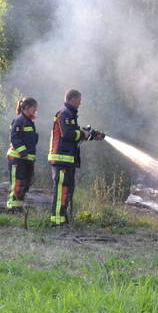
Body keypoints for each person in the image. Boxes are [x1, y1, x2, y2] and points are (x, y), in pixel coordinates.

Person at [48, 89, 94, 226]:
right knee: (61, 190)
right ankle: (57, 221)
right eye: (79, 101)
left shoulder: (70, 114)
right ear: (72, 99)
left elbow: (74, 134)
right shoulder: (65, 113)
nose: (80, 103)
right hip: (61, 159)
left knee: (67, 190)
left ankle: (62, 218)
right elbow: (67, 134)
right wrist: (83, 134)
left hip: (67, 159)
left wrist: (90, 134)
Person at [6, 97, 39, 211]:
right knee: (17, 184)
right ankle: (12, 209)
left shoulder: (28, 121)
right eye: (34, 107)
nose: (36, 110)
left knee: (25, 185)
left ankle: (18, 208)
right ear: (27, 107)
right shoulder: (19, 120)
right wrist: (24, 153)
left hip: (26, 160)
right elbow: (15, 138)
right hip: (18, 159)